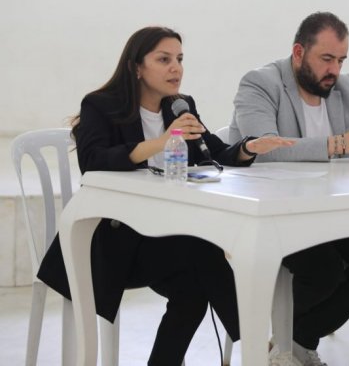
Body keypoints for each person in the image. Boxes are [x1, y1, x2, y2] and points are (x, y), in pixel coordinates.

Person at [37, 26, 293, 365]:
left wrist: (249, 148)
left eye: (180, 59)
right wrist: (163, 141)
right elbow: (94, 162)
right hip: (111, 247)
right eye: (164, 59)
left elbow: (213, 153)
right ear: (136, 67)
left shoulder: (179, 107)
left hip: (164, 240)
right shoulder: (101, 105)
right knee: (203, 251)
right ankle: (261, 350)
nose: (176, 68)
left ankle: (257, 350)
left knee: (193, 288)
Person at [228, 12, 349, 366]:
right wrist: (339, 143)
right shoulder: (259, 83)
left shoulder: (345, 87)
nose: (334, 70)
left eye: (341, 60)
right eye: (326, 59)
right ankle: (289, 345)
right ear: (299, 52)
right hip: (274, 216)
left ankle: (294, 341)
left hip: (330, 212)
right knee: (324, 271)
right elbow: (263, 149)